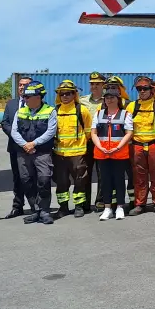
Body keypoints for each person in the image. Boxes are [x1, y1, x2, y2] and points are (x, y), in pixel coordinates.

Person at [11, 82, 58, 225]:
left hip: (42, 152)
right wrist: (25, 145)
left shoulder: (50, 111)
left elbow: (51, 131)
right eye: (24, 96)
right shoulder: (20, 112)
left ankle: (44, 211)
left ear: (38, 97)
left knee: (44, 179)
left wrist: (34, 143)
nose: (24, 99)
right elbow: (14, 131)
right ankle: (35, 210)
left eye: (27, 96)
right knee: (26, 181)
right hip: (23, 152)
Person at [126, 76, 155, 215]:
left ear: (151, 90)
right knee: (139, 176)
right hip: (137, 146)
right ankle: (140, 204)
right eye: (139, 89)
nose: (142, 91)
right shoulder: (131, 106)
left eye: (145, 88)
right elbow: (127, 127)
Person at [91, 85, 133, 221]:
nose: (109, 100)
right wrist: (100, 146)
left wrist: (118, 147)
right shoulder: (98, 114)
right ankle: (107, 208)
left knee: (119, 180)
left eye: (112, 97)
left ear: (118, 99)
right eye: (107, 98)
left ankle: (120, 206)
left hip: (119, 153)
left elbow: (129, 133)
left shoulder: (125, 114)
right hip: (102, 153)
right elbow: (93, 133)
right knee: (105, 181)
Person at [52, 80, 92, 218]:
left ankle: (79, 206)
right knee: (61, 183)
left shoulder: (82, 110)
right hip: (60, 154)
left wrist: (79, 145)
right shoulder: (55, 111)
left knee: (80, 181)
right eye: (62, 93)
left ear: (74, 94)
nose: (65, 96)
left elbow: (88, 132)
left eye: (68, 93)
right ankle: (63, 207)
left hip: (77, 153)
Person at [2, 75, 32, 218]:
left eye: (25, 85)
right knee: (17, 177)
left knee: (34, 177)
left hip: (32, 147)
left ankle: (36, 205)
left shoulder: (39, 103)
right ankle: (17, 206)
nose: (21, 87)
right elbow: (5, 123)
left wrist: (29, 142)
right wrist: (17, 138)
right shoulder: (11, 104)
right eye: (20, 85)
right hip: (15, 147)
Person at [79, 72, 106, 213]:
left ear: (103, 85)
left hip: (102, 141)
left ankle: (100, 201)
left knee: (101, 173)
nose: (94, 86)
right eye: (92, 83)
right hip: (86, 142)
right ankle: (85, 203)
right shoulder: (82, 101)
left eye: (97, 84)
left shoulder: (108, 100)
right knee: (85, 173)